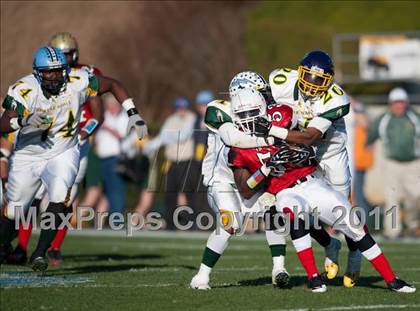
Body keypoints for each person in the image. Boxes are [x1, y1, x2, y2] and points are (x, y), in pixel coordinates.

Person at [229, 88, 416, 293]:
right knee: (293, 211)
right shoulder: (238, 145)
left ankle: (392, 279)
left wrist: (305, 151)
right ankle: (314, 277)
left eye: (252, 112)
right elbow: (245, 190)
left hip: (311, 182)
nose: (248, 120)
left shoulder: (282, 115)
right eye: (242, 115)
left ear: (264, 108)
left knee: (354, 224)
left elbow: (309, 138)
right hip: (284, 191)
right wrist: (266, 168)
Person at [0, 46, 147, 271]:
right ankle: (4, 246)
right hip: (29, 154)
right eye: (48, 72)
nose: (54, 76)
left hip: (64, 150)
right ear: (37, 72)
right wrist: (24, 121)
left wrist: (133, 113)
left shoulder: (78, 79)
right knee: (15, 210)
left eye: (58, 71)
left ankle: (40, 253)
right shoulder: (24, 89)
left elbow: (113, 84)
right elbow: (3, 122)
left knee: (60, 196)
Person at [7, 32, 105, 266]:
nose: (64, 60)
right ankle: (20, 246)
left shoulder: (84, 76)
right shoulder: (39, 81)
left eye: (69, 54)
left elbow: (98, 115)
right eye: (62, 54)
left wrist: (83, 133)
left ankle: (52, 247)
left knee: (62, 199)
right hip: (42, 143)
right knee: (29, 199)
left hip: (73, 145)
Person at [265, 50, 362, 287]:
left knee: (342, 211)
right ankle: (330, 246)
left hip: (329, 150)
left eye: (320, 80)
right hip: (296, 150)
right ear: (300, 72)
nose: (312, 84)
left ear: (329, 81)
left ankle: (356, 257)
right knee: (298, 207)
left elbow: (309, 137)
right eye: (308, 77)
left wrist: (272, 131)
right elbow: (266, 106)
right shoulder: (280, 81)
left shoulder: (336, 98)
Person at [190, 76, 291, 290]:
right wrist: (271, 139)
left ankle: (278, 269)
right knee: (231, 223)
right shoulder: (219, 109)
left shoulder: (267, 113)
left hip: (251, 176)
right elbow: (234, 139)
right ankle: (201, 276)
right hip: (222, 180)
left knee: (273, 207)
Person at [366, 87, 420, 238]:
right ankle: (392, 231)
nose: (399, 105)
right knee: (392, 198)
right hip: (392, 164)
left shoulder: (414, 117)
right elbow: (371, 133)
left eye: (402, 102)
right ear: (391, 103)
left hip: (413, 163)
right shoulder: (384, 118)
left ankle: (412, 225)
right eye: (396, 102)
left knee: (415, 196)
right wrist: (368, 143)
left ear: (406, 103)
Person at [144, 97, 196, 230]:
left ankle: (191, 223)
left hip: (186, 162)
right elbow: (161, 138)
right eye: (179, 107)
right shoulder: (171, 120)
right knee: (170, 193)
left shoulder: (192, 118)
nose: (181, 110)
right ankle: (171, 224)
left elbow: (183, 135)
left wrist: (169, 136)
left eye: (183, 107)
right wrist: (148, 146)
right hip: (171, 162)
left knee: (187, 193)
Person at [95, 94, 137, 219]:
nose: (112, 108)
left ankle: (116, 221)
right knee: (107, 191)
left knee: (116, 190)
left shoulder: (124, 118)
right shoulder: (104, 116)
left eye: (114, 105)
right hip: (102, 159)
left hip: (117, 159)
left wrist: (107, 128)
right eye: (109, 106)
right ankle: (109, 220)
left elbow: (122, 135)